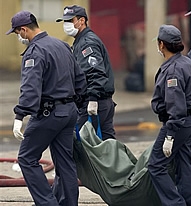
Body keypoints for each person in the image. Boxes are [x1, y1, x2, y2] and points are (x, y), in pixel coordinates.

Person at [6, 10, 87, 206]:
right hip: (69, 113)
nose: (19, 37)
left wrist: (20, 115)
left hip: (49, 114)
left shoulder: (35, 52)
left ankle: (47, 203)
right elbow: (80, 80)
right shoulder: (61, 45)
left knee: (26, 158)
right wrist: (76, 105)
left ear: (24, 30)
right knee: (65, 162)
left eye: (18, 33)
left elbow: (30, 88)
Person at [148, 24, 191, 206]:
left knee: (156, 165)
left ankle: (175, 203)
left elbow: (176, 106)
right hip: (190, 121)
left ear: (162, 45)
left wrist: (169, 135)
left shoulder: (173, 70)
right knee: (184, 163)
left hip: (177, 124)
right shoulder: (186, 62)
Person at [56, 5, 116, 141]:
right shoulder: (81, 41)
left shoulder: (86, 43)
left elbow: (96, 72)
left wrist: (93, 99)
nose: (66, 25)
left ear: (81, 21)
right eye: (64, 21)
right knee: (106, 145)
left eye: (70, 21)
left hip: (94, 103)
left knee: (77, 143)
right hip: (101, 102)